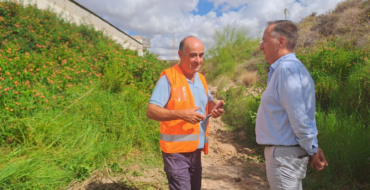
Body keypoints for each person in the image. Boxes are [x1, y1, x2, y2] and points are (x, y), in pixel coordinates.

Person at [255, 20, 329, 190]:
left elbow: (298, 116)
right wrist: (312, 147)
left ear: (280, 42)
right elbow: (301, 114)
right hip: (288, 154)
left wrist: (312, 148)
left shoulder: (286, 69)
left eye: (264, 40)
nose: (261, 46)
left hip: (284, 156)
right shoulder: (292, 68)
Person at [146, 36, 225, 190]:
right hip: (176, 153)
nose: (198, 60)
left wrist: (215, 108)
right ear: (181, 55)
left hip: (196, 150)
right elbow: (151, 111)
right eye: (193, 55)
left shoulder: (201, 78)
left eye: (201, 55)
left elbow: (208, 103)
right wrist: (181, 114)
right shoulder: (169, 78)